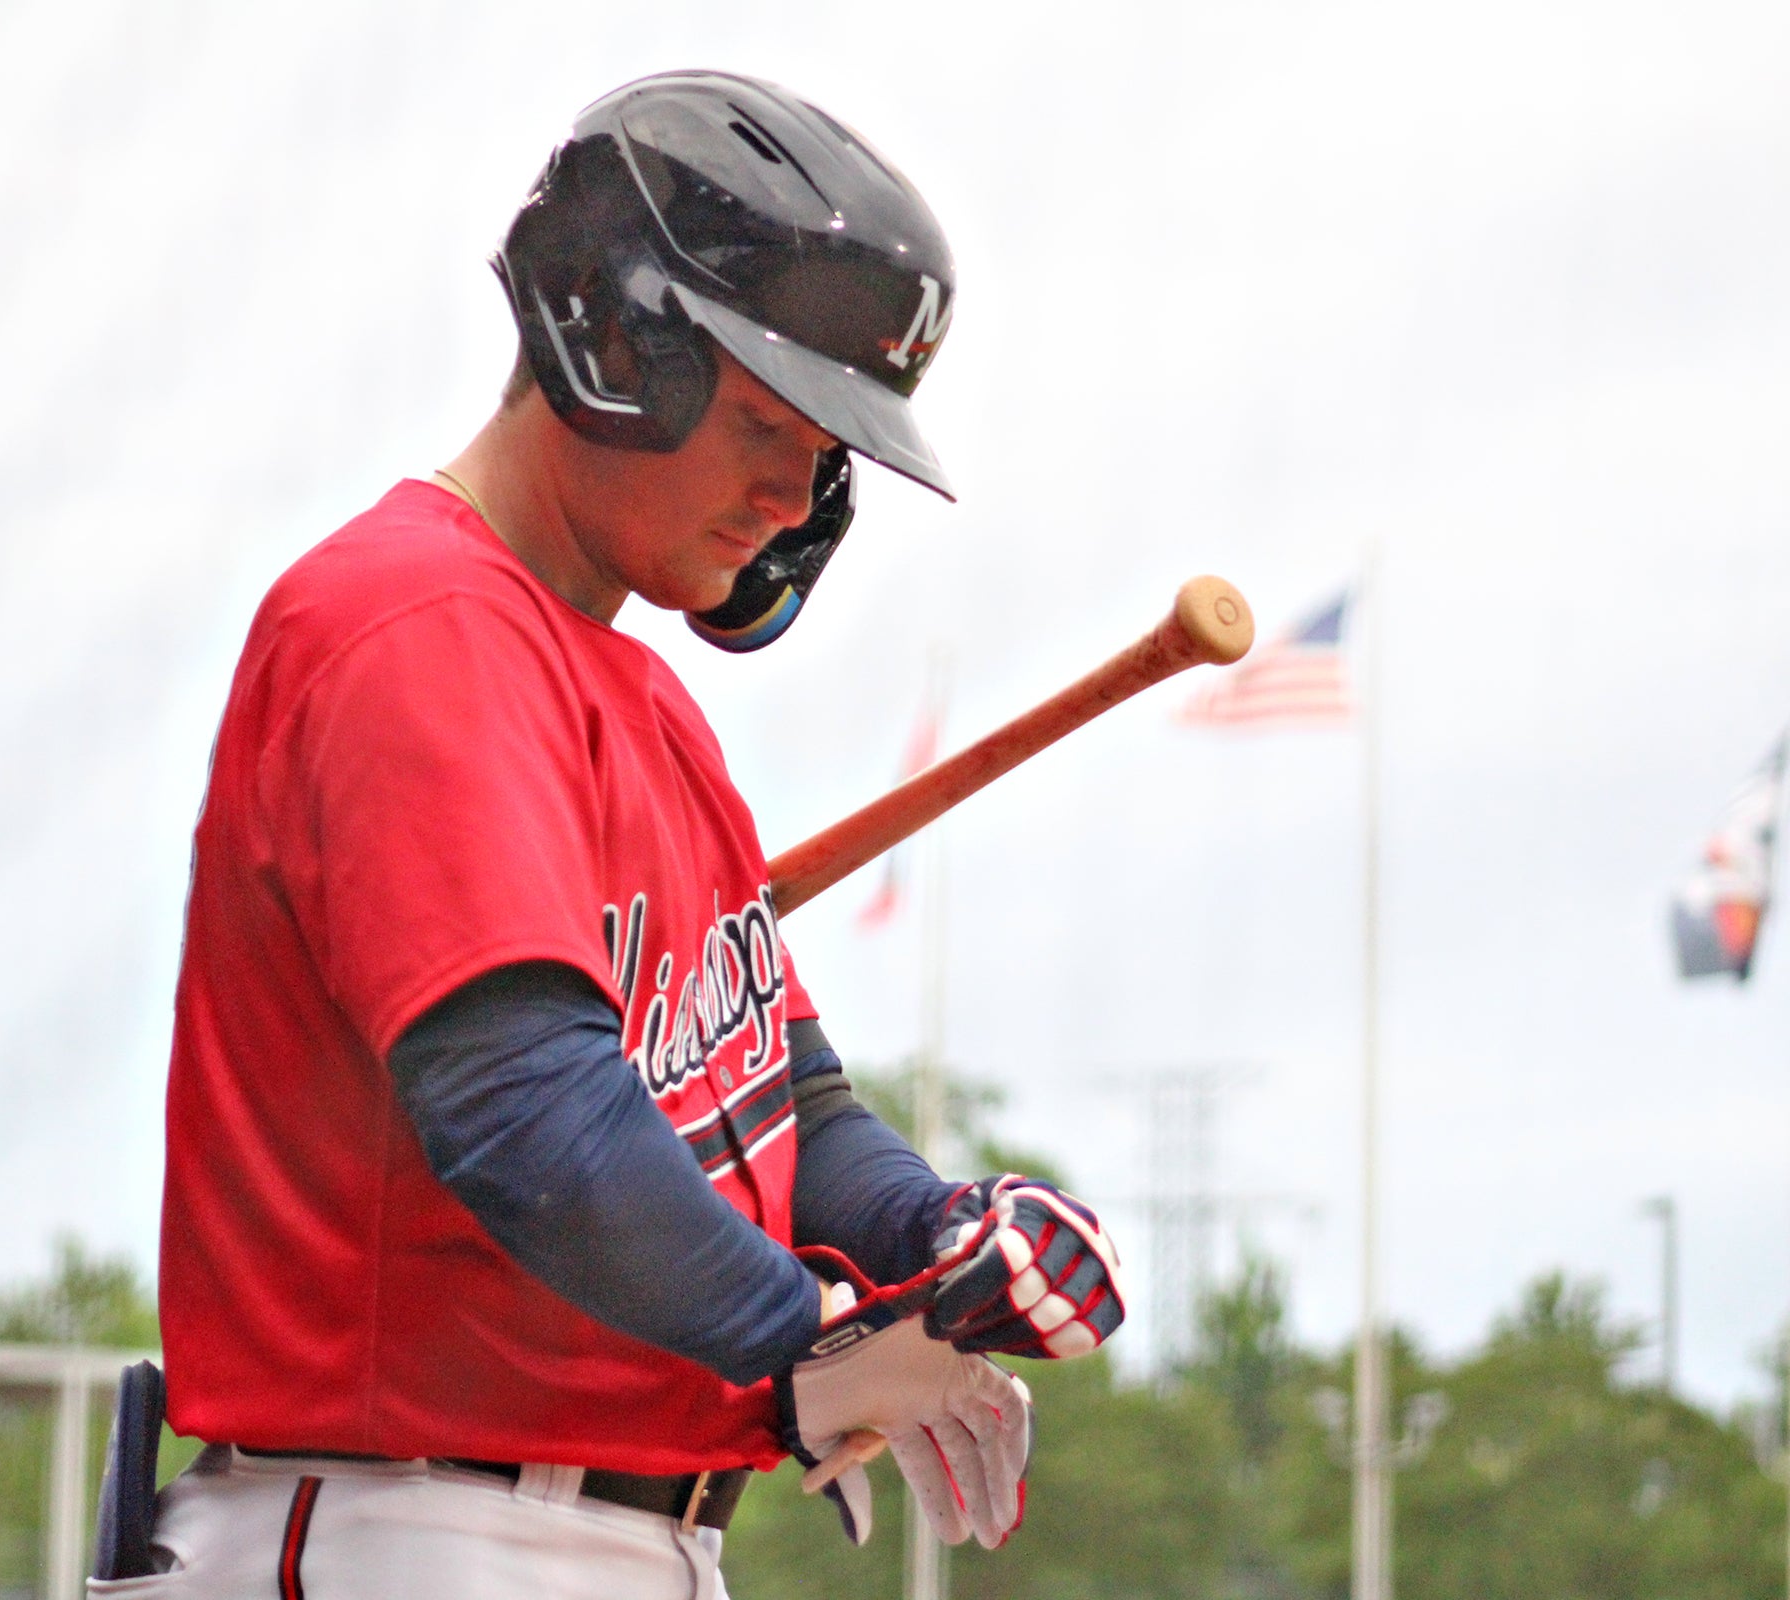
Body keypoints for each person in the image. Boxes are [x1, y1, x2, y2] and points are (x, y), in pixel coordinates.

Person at [136, 70, 1125, 1600]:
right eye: (765, 419)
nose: (799, 487)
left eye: (828, 448)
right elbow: (525, 1110)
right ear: (613, 337)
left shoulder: (644, 703)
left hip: (591, 1537)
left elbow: (783, 1107)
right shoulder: (417, 622)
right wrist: (814, 1348)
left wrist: (946, 1241)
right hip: (412, 1528)